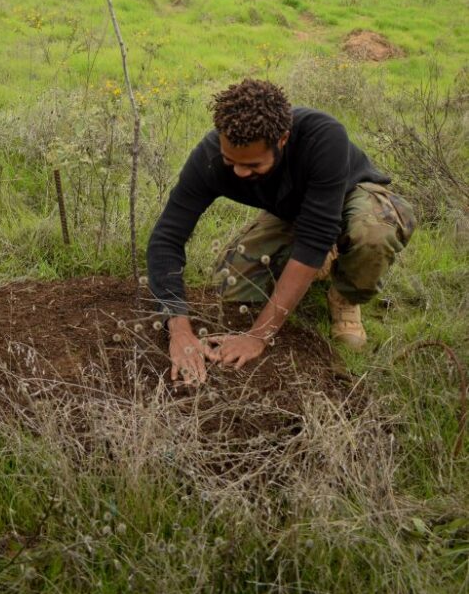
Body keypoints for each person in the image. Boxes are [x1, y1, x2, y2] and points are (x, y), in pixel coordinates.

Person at [146, 78, 416, 385]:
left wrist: (258, 337)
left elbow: (314, 239)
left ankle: (344, 295)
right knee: (231, 288)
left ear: (283, 139)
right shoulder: (208, 158)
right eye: (229, 161)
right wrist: (178, 330)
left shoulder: (324, 136)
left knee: (373, 234)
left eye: (253, 165)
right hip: (292, 211)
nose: (239, 172)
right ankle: (315, 266)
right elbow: (167, 237)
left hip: (353, 198)